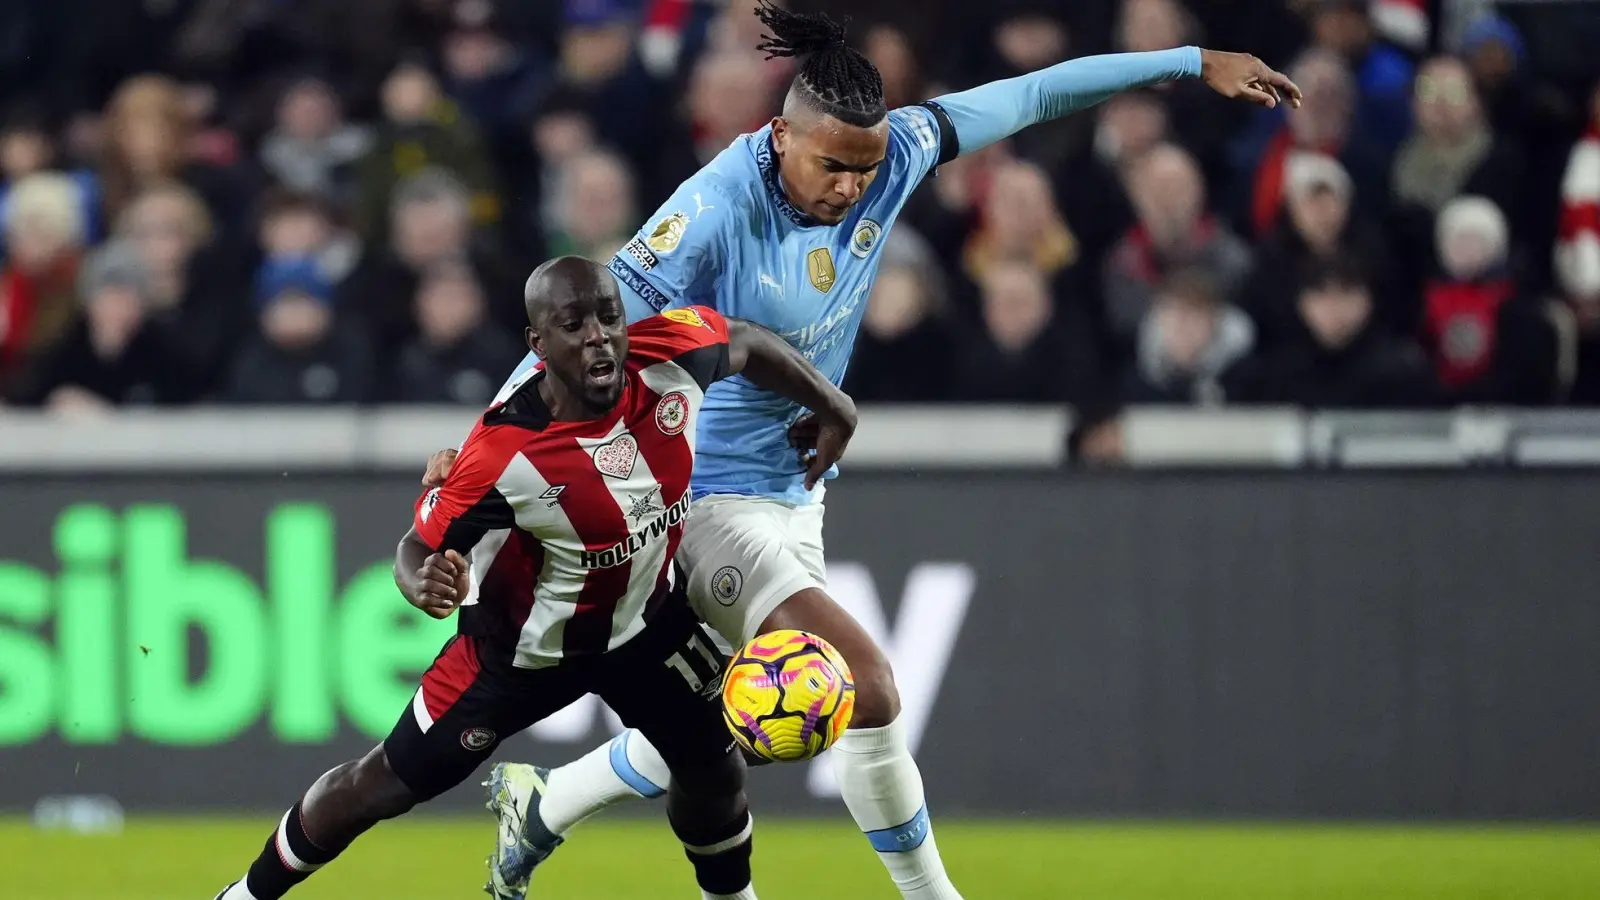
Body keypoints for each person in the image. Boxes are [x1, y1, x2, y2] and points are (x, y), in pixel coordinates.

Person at [428, 6, 1302, 900]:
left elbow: (1035, 93)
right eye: (832, 165)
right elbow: (569, 336)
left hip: (794, 490)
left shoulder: (900, 155)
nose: (852, 186)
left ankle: (546, 804)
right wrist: (475, 458)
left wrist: (1194, 60)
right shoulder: (714, 206)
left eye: (865, 166)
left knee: (728, 716)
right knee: (866, 687)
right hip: (703, 499)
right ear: (779, 136)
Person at [213, 256, 858, 900]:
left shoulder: (676, 357)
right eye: (573, 325)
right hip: (518, 657)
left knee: (714, 772)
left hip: (645, 628)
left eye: (609, 316)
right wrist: (419, 582)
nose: (599, 336)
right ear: (538, 344)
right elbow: (419, 546)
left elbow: (743, 340)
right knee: (380, 784)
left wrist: (833, 405)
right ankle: (243, 895)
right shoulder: (501, 450)